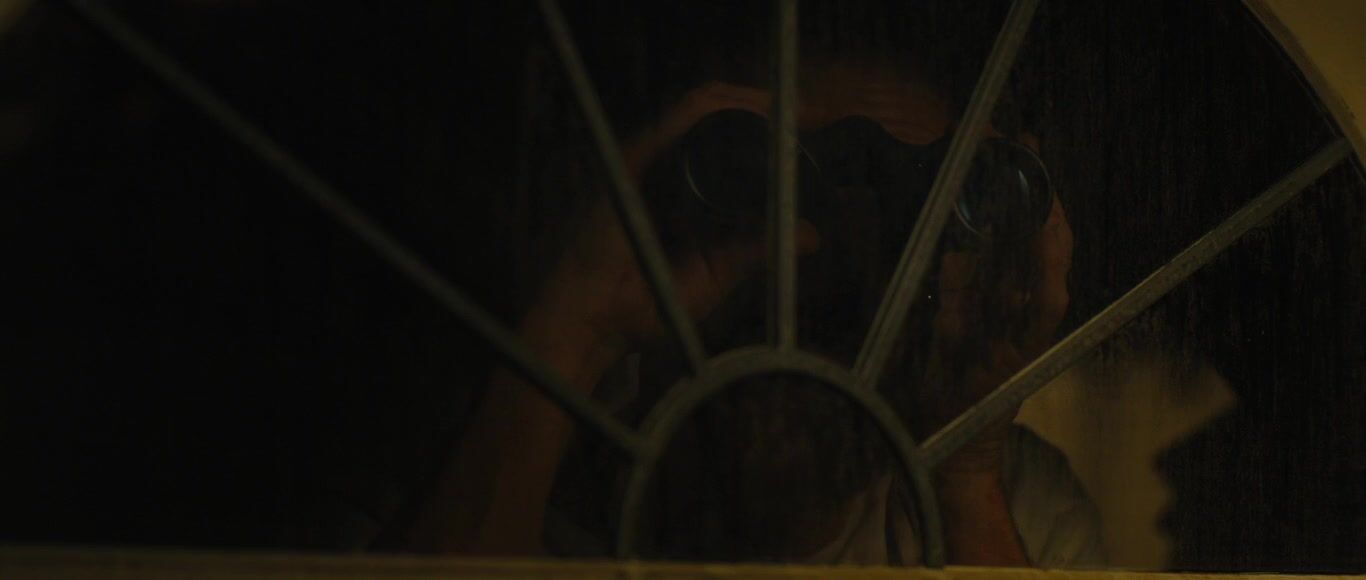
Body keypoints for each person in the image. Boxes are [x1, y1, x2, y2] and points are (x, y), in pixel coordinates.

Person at [402, 47, 1100, 567]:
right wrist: (577, 326)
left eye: (899, 234)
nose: (825, 289)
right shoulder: (489, 449)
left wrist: (964, 471)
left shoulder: (1023, 495)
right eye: (778, 189)